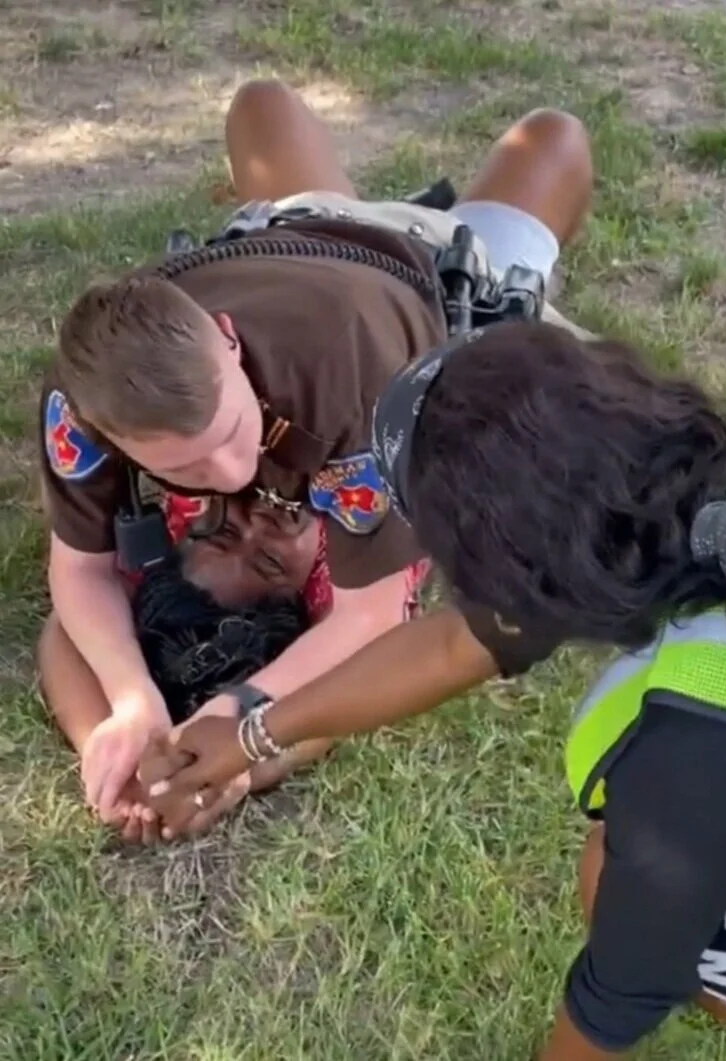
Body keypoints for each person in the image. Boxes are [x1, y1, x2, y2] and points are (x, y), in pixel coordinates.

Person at [144, 322, 726, 1059]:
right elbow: (465, 642)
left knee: (613, 877)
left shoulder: (697, 744)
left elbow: (622, 992)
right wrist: (257, 731)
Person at [38, 77, 594, 830]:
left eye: (228, 440)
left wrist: (146, 706)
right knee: (553, 133)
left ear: (227, 341)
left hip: (291, 232)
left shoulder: (320, 390)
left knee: (258, 101)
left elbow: (76, 586)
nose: (234, 482)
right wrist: (216, 733)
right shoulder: (94, 400)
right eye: (188, 470)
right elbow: (370, 635)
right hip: (447, 277)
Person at [38, 496, 361, 842]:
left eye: (225, 534)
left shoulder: (195, 505)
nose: (259, 523)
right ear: (301, 594)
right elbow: (345, 688)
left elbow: (65, 626)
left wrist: (109, 738)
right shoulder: (341, 564)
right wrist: (244, 767)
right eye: (270, 561)